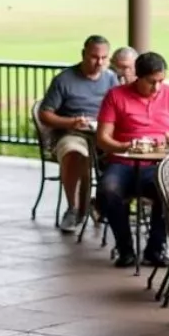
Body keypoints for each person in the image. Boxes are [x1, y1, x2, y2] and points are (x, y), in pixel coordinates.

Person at [95, 50, 169, 269]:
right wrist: (125, 146)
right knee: (108, 189)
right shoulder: (116, 95)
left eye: (161, 81)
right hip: (123, 161)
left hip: (157, 164)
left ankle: (155, 250)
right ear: (138, 77)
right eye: (151, 82)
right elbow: (102, 139)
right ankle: (125, 249)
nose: (157, 88)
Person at [39, 35, 117, 232]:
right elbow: (45, 114)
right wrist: (72, 122)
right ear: (83, 54)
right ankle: (73, 209)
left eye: (103, 58)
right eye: (94, 57)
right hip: (72, 132)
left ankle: (103, 206)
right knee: (75, 153)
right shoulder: (64, 80)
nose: (99, 62)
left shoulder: (110, 78)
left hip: (102, 132)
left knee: (122, 156)